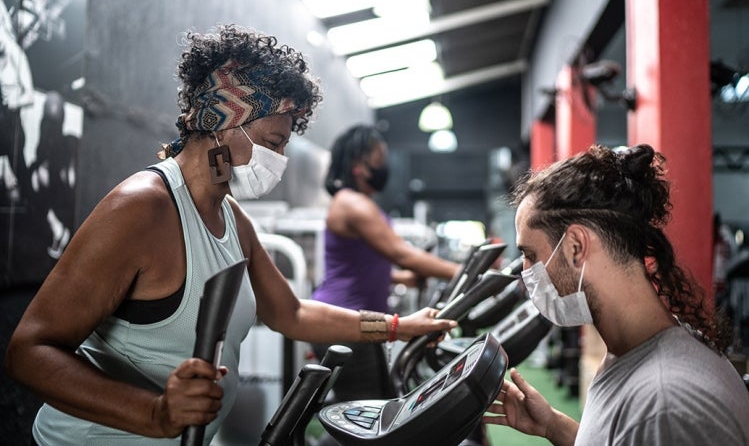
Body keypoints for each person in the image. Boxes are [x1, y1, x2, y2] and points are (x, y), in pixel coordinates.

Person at [3, 25, 457, 445]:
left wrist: (398, 328)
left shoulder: (232, 216)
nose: (278, 159)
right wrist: (157, 413)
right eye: (273, 143)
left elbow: (292, 313)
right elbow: (29, 350)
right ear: (222, 122)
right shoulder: (142, 207)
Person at [482, 144, 749, 445]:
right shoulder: (629, 354)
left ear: (575, 247)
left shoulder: (666, 407)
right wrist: (553, 427)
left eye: (530, 255)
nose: (525, 270)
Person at [311, 124, 460, 401]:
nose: (384, 164)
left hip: (362, 321)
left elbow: (360, 265)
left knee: (379, 404)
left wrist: (402, 278)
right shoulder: (352, 204)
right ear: (359, 165)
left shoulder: (358, 202)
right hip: (344, 320)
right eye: (379, 157)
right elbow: (401, 253)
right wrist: (462, 272)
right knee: (364, 411)